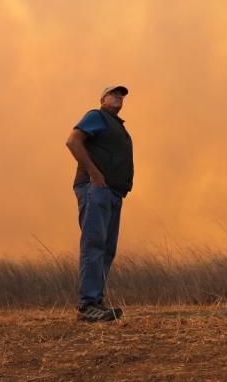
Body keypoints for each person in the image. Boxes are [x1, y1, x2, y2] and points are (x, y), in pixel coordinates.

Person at [65, 85, 134, 322]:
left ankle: (96, 301)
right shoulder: (97, 116)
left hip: (112, 192)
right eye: (114, 93)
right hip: (96, 189)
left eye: (122, 95)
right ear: (102, 99)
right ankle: (87, 306)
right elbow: (73, 141)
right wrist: (94, 175)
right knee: (94, 244)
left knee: (106, 248)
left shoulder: (116, 125)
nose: (119, 97)